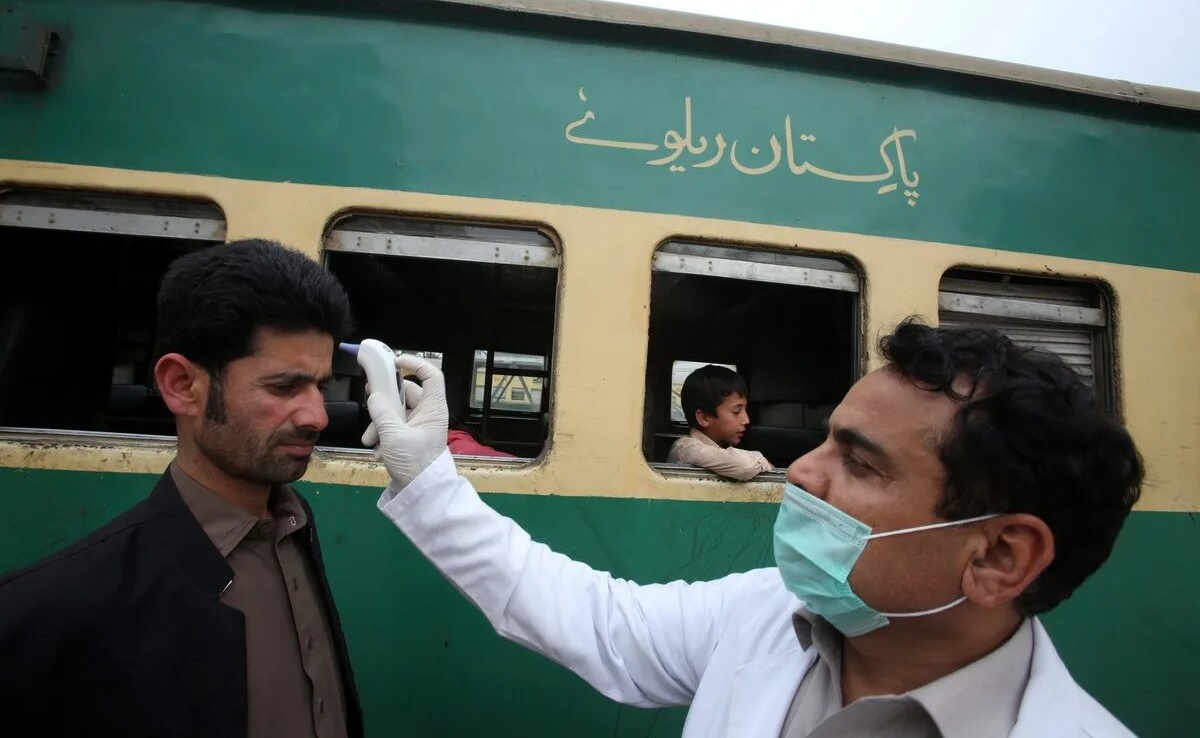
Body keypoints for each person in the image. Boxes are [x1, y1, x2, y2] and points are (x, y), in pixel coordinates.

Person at [364, 319, 1142, 737]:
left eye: (860, 464)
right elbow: (594, 618)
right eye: (826, 438)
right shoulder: (769, 617)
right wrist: (429, 481)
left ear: (1002, 556)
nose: (803, 472)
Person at [0, 239, 362, 738]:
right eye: (283, 387)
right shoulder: (43, 610)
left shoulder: (296, 535)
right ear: (181, 386)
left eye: (321, 386)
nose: (317, 416)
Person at [667, 364, 773, 480]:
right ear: (704, 417)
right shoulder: (685, 448)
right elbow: (744, 466)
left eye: (745, 410)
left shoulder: (723, 447)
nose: (746, 420)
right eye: (736, 412)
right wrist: (761, 460)